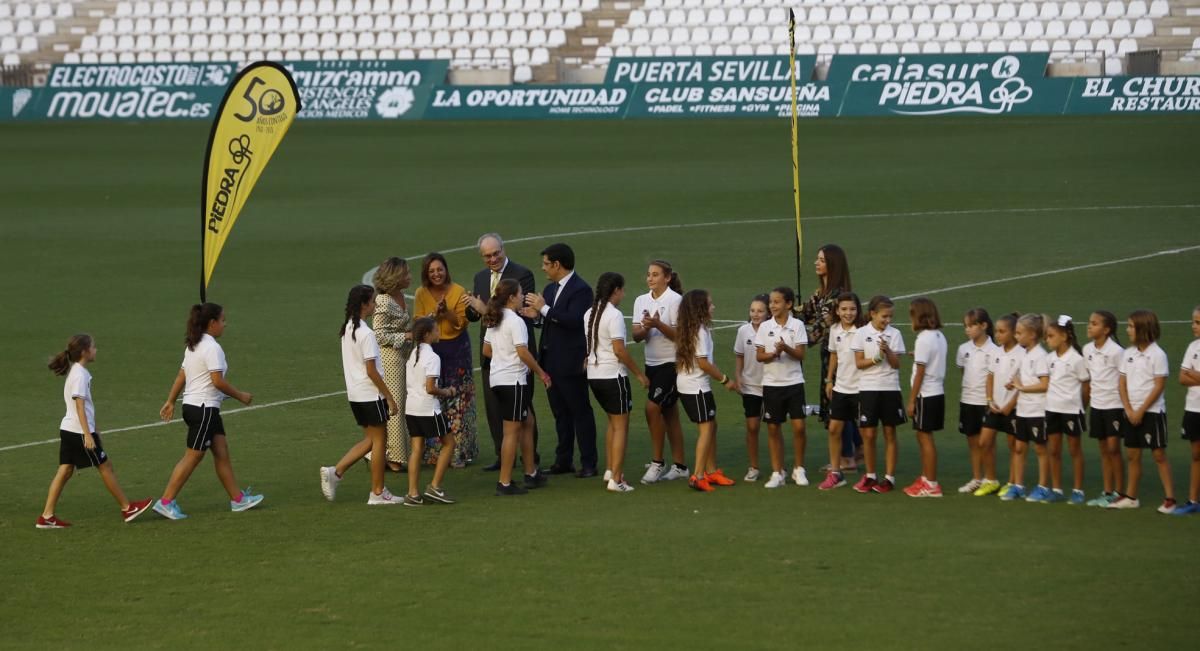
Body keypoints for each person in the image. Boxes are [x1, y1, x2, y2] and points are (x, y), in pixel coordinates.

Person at [155, 303, 262, 520]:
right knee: (192, 457)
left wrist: (171, 401)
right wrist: (240, 395)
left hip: (200, 408)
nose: (225, 324)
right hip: (203, 410)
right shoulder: (212, 348)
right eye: (223, 320)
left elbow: (181, 375)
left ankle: (237, 499)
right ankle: (166, 501)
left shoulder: (194, 345)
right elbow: (217, 381)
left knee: (221, 451)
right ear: (212, 323)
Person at [37, 334, 154, 529]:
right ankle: (127, 508)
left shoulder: (76, 371)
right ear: (84, 352)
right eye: (94, 347)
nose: (96, 350)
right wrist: (88, 434)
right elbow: (80, 407)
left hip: (69, 429)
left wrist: (95, 429)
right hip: (78, 432)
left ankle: (47, 516)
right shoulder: (80, 375)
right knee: (105, 466)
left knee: (65, 470)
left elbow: (84, 408)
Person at [321, 285, 402, 505]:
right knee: (379, 442)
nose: (375, 305)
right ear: (364, 304)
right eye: (373, 302)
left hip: (356, 396)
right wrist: (389, 397)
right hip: (370, 395)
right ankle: (377, 492)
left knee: (371, 440)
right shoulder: (366, 333)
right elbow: (371, 370)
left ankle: (336, 472)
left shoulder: (347, 329)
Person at [465, 233, 540, 472]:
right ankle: (502, 455)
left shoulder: (522, 275)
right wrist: (472, 309)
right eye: (487, 256)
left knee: (524, 407)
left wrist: (483, 308)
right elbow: (474, 314)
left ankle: (530, 458)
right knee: (494, 406)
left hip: (517, 355)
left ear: (503, 249)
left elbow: (518, 314)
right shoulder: (480, 277)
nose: (493, 259)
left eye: (496, 253)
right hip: (490, 353)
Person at [522, 243, 597, 477]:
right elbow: (551, 322)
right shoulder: (552, 289)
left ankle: (589, 463)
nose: (543, 268)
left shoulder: (581, 290)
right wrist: (536, 317)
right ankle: (563, 460)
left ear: (557, 264)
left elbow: (574, 321)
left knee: (580, 412)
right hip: (551, 361)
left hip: (571, 362)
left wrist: (543, 310)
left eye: (546, 263)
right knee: (560, 413)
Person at [484, 279, 552, 495]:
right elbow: (522, 352)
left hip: (497, 380)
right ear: (512, 297)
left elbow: (487, 350)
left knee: (528, 421)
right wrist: (541, 373)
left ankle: (531, 472)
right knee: (511, 431)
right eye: (521, 293)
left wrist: (503, 358)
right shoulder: (515, 321)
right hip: (513, 381)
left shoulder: (495, 318)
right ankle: (504, 482)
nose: (523, 296)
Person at [584, 272, 650, 493]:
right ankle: (617, 479)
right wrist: (639, 374)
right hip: (613, 376)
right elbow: (619, 350)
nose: (624, 294)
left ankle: (611, 471)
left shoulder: (589, 313)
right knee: (621, 426)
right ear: (615, 291)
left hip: (594, 376)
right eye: (622, 290)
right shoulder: (615, 316)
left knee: (612, 423)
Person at [798, 244, 861, 469]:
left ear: (832, 265)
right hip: (830, 354)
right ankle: (858, 449)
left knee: (836, 403)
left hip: (840, 357)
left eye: (822, 260)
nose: (816, 263)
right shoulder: (821, 293)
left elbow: (818, 330)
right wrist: (790, 308)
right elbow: (805, 313)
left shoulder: (837, 296)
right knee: (839, 402)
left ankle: (846, 458)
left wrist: (793, 343)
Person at [1108, 310, 1176, 513]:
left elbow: (1158, 386)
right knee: (1132, 455)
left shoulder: (1158, 354)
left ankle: (1170, 499)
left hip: (1152, 413)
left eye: (1130, 326)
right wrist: (1129, 409)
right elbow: (1121, 383)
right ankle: (1131, 497)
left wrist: (1141, 410)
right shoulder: (1128, 354)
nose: (1127, 330)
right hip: (1130, 413)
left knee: (1158, 454)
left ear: (1143, 329)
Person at [414, 253, 478, 468]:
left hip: (456, 349)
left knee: (459, 400)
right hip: (432, 350)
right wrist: (434, 314)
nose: (436, 274)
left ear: (446, 270)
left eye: (439, 269)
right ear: (426, 273)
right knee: (435, 400)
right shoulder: (421, 293)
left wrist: (446, 312)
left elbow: (462, 322)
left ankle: (460, 452)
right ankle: (435, 454)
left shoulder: (458, 292)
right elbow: (418, 324)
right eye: (431, 271)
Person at [675, 289, 738, 492]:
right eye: (710, 304)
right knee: (706, 429)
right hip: (697, 387)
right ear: (701, 308)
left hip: (687, 385)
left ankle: (711, 472)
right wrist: (725, 379)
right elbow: (703, 363)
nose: (714, 307)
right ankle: (698, 475)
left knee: (712, 425)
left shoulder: (689, 329)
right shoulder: (700, 332)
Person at [633, 260, 690, 484]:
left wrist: (657, 324)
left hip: (672, 363)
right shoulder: (641, 300)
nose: (650, 278)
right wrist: (646, 327)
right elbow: (637, 336)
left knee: (652, 408)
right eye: (649, 274)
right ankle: (680, 465)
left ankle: (657, 463)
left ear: (667, 278)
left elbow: (680, 336)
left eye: (655, 275)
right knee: (669, 413)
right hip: (652, 363)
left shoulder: (676, 301)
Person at [755, 286, 809, 488]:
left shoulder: (797, 325)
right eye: (771, 302)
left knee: (799, 427)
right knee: (773, 427)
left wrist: (785, 348)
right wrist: (773, 354)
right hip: (771, 385)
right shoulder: (764, 327)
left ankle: (799, 468)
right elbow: (760, 356)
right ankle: (778, 472)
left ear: (788, 304)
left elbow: (801, 355)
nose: (772, 305)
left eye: (776, 302)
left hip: (794, 383)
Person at [851, 295, 906, 494]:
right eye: (884, 316)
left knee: (890, 432)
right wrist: (876, 357)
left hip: (890, 388)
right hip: (868, 389)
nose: (887, 321)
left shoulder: (895, 334)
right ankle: (871, 475)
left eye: (890, 317)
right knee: (869, 433)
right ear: (873, 314)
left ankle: (889, 478)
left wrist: (888, 351)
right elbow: (859, 363)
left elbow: (896, 364)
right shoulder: (861, 333)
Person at [404, 317, 460, 506]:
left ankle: (412, 494)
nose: (439, 332)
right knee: (449, 443)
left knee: (417, 449)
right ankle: (435, 487)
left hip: (411, 408)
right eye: (436, 330)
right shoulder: (433, 357)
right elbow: (430, 387)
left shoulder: (413, 354)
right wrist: (447, 391)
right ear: (427, 335)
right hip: (427, 409)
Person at [819, 292, 864, 491]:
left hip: (862, 388)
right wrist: (829, 380)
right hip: (841, 388)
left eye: (852, 309)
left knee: (866, 432)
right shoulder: (834, 330)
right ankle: (836, 473)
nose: (848, 313)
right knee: (834, 429)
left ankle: (870, 474)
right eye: (844, 309)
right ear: (837, 311)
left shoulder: (863, 331)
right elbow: (834, 355)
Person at [372, 257, 414, 472]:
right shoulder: (383, 300)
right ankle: (394, 458)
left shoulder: (400, 296)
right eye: (406, 273)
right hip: (389, 359)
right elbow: (378, 334)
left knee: (401, 404)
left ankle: (379, 453)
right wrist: (404, 337)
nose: (410, 277)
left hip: (402, 357)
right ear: (396, 277)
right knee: (395, 405)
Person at [1043, 315, 1090, 505]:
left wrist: (1081, 407)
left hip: (1071, 410)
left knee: (1074, 450)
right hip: (1052, 409)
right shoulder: (1049, 358)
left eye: (1051, 336)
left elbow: (1086, 386)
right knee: (1053, 450)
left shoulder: (1077, 359)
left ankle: (1078, 490)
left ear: (1064, 337)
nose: (1047, 340)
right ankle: (1056, 489)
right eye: (1046, 336)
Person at [904, 297, 947, 498]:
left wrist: (912, 400)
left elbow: (920, 373)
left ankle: (930, 483)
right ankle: (926, 478)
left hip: (926, 394)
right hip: (937, 393)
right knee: (924, 436)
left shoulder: (923, 339)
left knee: (925, 437)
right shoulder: (938, 336)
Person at [977, 313, 1024, 498]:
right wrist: (989, 399)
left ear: (1014, 333)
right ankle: (991, 480)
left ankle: (1012, 483)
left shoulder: (1022, 353)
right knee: (984, 442)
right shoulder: (995, 352)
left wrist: (1011, 405)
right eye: (996, 331)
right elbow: (990, 377)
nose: (997, 335)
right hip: (995, 407)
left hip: (1013, 409)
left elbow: (1023, 384)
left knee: (1013, 446)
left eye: (1002, 331)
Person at [1004, 314, 1049, 503]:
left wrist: (1021, 387)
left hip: (1038, 410)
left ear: (1032, 335)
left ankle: (1043, 487)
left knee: (1040, 449)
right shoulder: (1025, 354)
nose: (1016, 336)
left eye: (1019, 333)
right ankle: (1018, 486)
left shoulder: (1041, 356)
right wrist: (1013, 384)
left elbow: (1045, 384)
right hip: (1023, 410)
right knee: (1019, 447)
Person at [955, 308, 1000, 494]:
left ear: (984, 326)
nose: (968, 329)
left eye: (972, 325)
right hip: (968, 401)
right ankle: (977, 478)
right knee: (973, 442)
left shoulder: (995, 350)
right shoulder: (963, 349)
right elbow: (963, 372)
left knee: (986, 443)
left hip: (986, 403)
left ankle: (991, 478)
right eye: (965, 326)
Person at [1083, 310, 1125, 506]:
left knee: (1114, 448)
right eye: (1090, 323)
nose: (1090, 326)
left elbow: (1125, 380)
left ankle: (1120, 492)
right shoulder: (1087, 350)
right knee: (1103, 449)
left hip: (1114, 406)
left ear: (1107, 329)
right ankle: (1107, 491)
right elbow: (1089, 379)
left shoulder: (1117, 352)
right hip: (1097, 406)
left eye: (1095, 323)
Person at [733, 294, 769, 481]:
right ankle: (753, 467)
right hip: (750, 386)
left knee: (773, 427)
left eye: (760, 311)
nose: (756, 314)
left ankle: (780, 468)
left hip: (771, 385)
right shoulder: (743, 331)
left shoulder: (772, 330)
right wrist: (738, 377)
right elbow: (739, 356)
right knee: (752, 426)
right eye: (753, 310)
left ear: (767, 313)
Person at [1174, 306, 1200, 515]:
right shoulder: (1193, 347)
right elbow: (1182, 378)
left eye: (1198, 323)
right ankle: (1192, 500)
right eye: (1194, 322)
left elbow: (1189, 374)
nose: (1194, 326)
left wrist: (1194, 374)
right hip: (1193, 408)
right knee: (1196, 454)